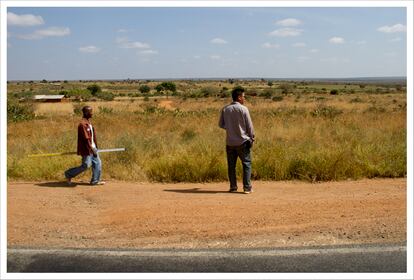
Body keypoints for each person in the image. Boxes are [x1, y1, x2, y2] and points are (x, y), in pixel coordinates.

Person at [219, 86, 255, 194]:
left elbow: (221, 124)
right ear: (239, 97)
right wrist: (252, 138)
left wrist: (230, 128)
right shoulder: (244, 109)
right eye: (243, 96)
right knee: (246, 164)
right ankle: (247, 188)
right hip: (243, 142)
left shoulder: (225, 109)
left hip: (230, 142)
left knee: (231, 166)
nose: (244, 98)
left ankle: (233, 187)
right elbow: (250, 127)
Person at [64, 106, 105, 186]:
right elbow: (86, 139)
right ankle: (68, 174)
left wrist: (95, 147)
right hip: (87, 149)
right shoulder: (82, 124)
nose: (92, 113)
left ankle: (95, 181)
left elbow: (92, 137)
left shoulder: (88, 123)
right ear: (86, 113)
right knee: (86, 165)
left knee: (97, 163)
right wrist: (92, 149)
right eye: (91, 112)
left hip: (93, 148)